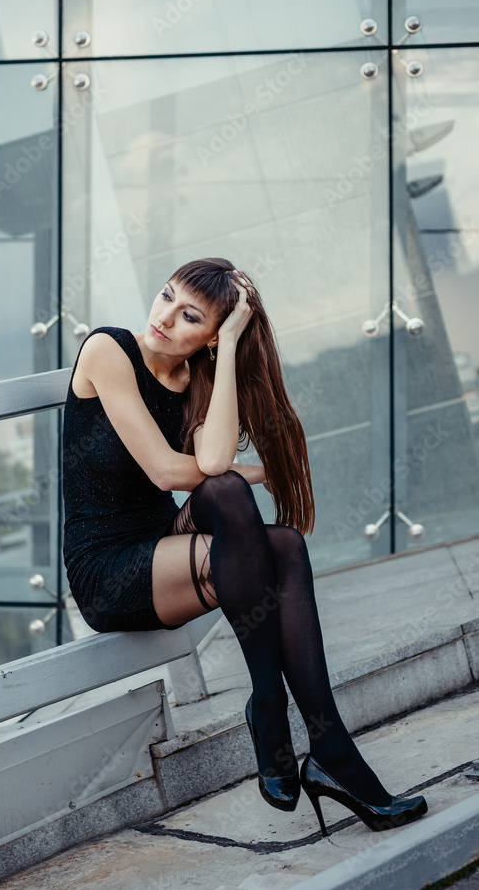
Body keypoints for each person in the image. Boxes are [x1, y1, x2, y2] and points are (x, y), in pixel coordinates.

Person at [61, 256, 427, 837]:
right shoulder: (109, 351)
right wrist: (257, 473)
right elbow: (164, 472)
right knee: (237, 495)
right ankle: (282, 718)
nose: (164, 319)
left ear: (209, 337)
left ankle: (313, 738)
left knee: (277, 542)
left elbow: (209, 463)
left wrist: (228, 349)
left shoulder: (199, 377)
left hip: (165, 545)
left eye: (190, 318)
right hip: (108, 567)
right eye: (166, 297)